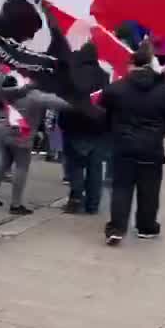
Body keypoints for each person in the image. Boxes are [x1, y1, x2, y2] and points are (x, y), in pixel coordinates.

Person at [98, 48, 165, 245]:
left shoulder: (116, 89)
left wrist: (111, 130)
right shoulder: (164, 91)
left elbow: (102, 113)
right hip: (152, 146)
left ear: (132, 65)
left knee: (121, 187)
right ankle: (146, 226)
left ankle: (117, 227)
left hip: (123, 145)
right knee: (150, 189)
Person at [0, 74, 69, 215]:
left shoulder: (3, 92)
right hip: (23, 135)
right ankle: (15, 204)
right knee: (21, 167)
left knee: (2, 164)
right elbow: (60, 103)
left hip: (4, 131)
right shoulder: (35, 96)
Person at [60, 44, 110, 214]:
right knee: (95, 168)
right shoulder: (104, 76)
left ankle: (75, 199)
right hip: (97, 127)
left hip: (74, 126)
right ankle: (93, 204)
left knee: (75, 166)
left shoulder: (71, 76)